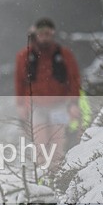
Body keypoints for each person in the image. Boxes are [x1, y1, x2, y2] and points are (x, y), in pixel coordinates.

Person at [14, 18, 81, 172]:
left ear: (53, 34)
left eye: (47, 33)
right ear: (35, 34)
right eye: (41, 33)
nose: (44, 37)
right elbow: (19, 83)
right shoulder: (24, 56)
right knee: (40, 143)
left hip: (59, 106)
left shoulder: (64, 55)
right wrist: (20, 106)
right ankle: (43, 176)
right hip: (36, 107)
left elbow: (74, 80)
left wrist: (73, 104)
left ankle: (58, 174)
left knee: (58, 141)